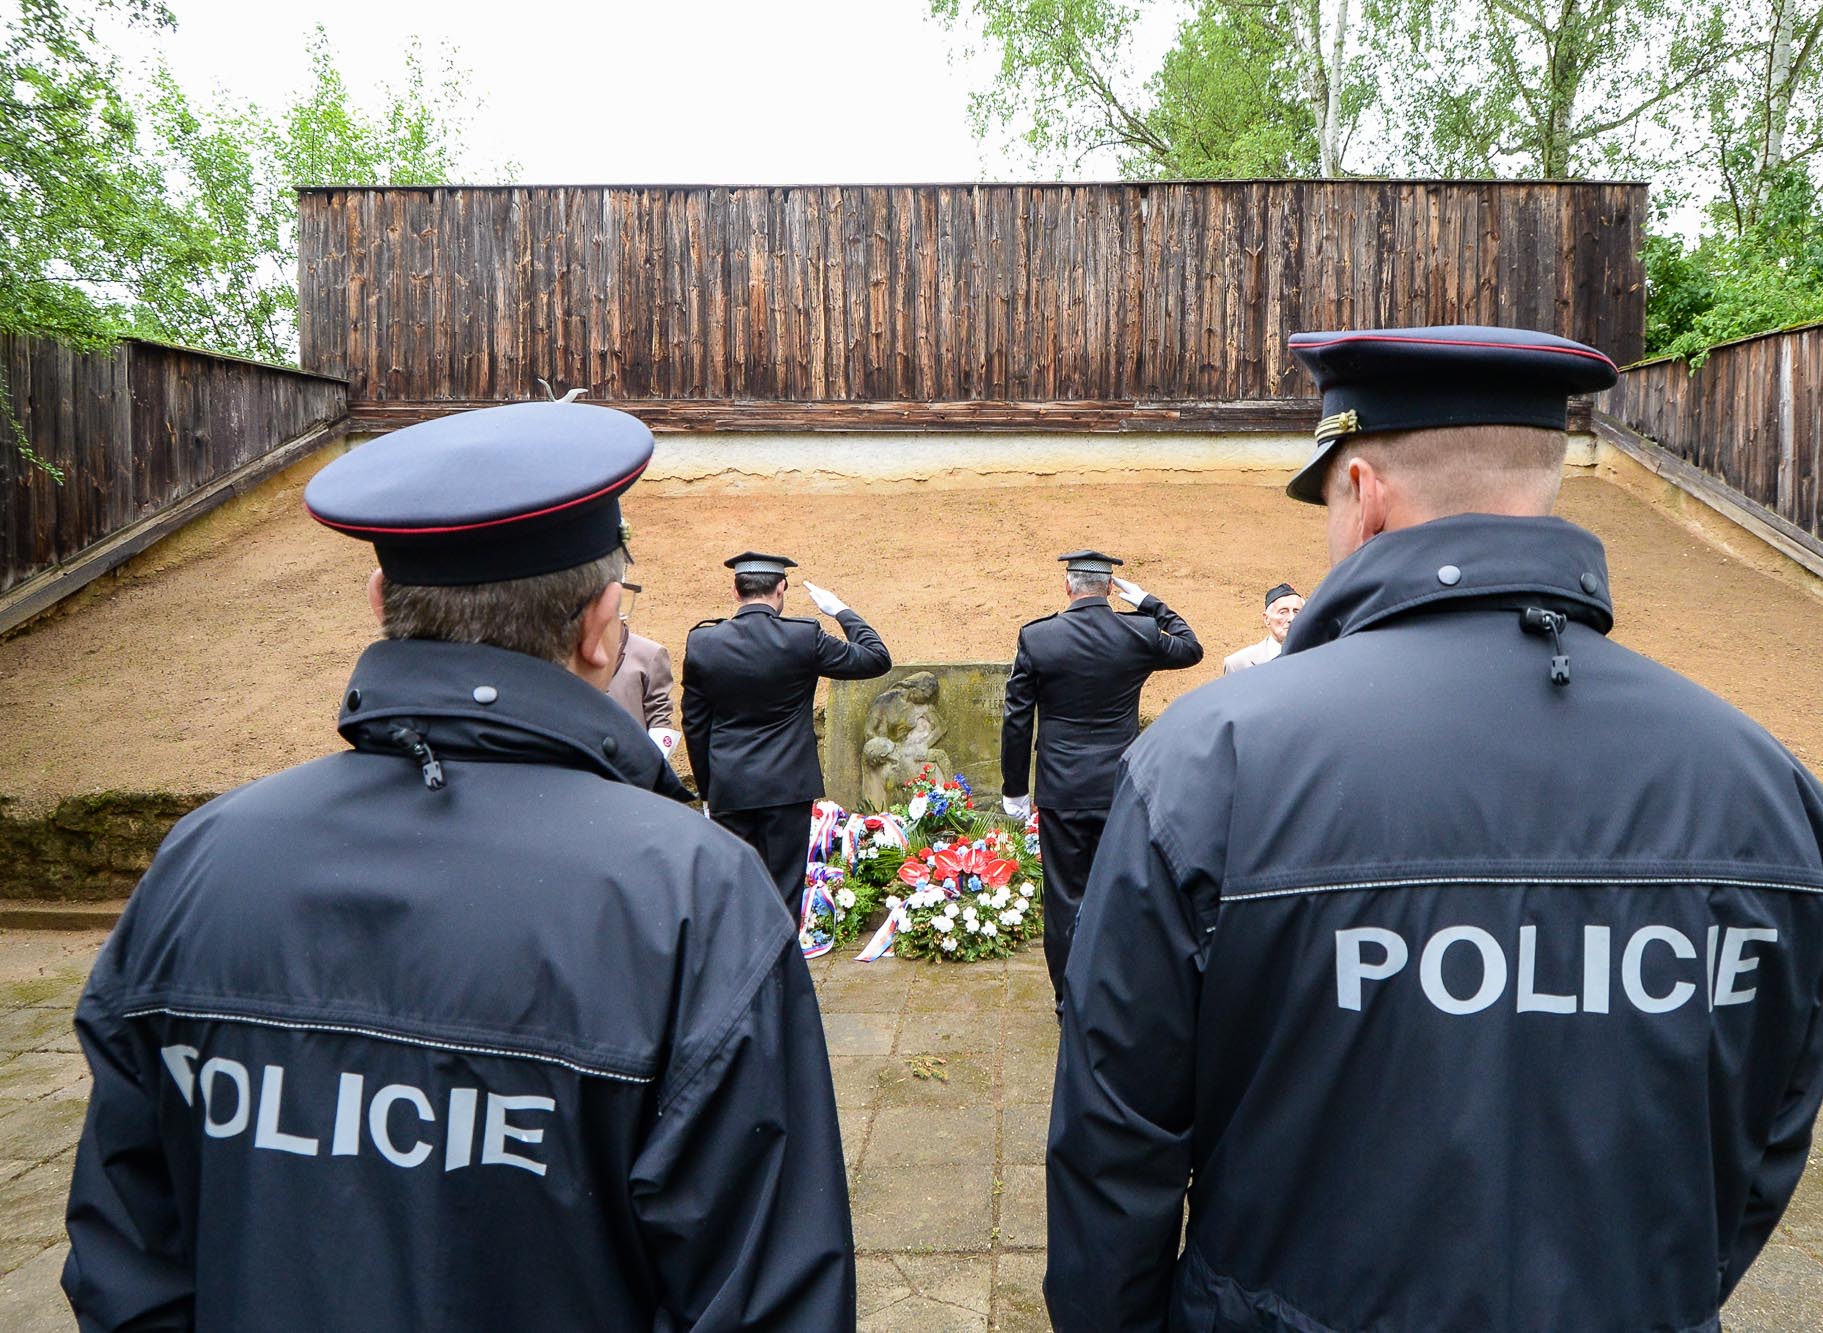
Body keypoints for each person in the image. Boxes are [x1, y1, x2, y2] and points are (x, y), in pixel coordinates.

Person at [1044, 326, 1823, 1331]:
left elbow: (1115, 1137)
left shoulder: (1211, 761)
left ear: (1364, 493)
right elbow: (1764, 1136)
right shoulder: (1765, 784)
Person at [62, 402, 856, 1330]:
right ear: (602, 626)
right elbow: (764, 1296)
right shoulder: (693, 899)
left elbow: (128, 1260)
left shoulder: (200, 861)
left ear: (380, 603)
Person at [1001, 551, 1203, 1010]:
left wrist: (1015, 788)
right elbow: (1190, 647)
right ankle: (1118, 996)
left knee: (1064, 896)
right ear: (1111, 588)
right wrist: (1150, 603)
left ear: (1068, 587)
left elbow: (1017, 718)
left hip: (1062, 787)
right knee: (1120, 890)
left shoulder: (1039, 637)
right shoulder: (1138, 632)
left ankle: (1069, 1000)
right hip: (1119, 786)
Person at [682, 553, 891, 911]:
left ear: (735, 591)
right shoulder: (802, 637)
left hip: (730, 786)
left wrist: (708, 790)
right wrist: (841, 611)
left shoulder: (703, 642)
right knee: (784, 895)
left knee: (736, 893)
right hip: (787, 786)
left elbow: (695, 724)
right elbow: (876, 658)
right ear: (781, 588)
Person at [1221, 583, 1304, 673]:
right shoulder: (1239, 664)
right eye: (1283, 612)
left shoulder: (1313, 658)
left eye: (1297, 612)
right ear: (1266, 619)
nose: (1292, 618)